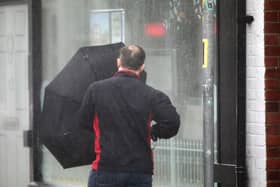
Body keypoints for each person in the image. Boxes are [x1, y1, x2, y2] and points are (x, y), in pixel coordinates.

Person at [79, 44, 180, 187]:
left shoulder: (96, 90)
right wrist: (153, 132)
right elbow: (172, 123)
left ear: (118, 62)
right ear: (142, 66)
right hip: (140, 171)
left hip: (106, 169)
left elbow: (83, 122)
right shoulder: (152, 95)